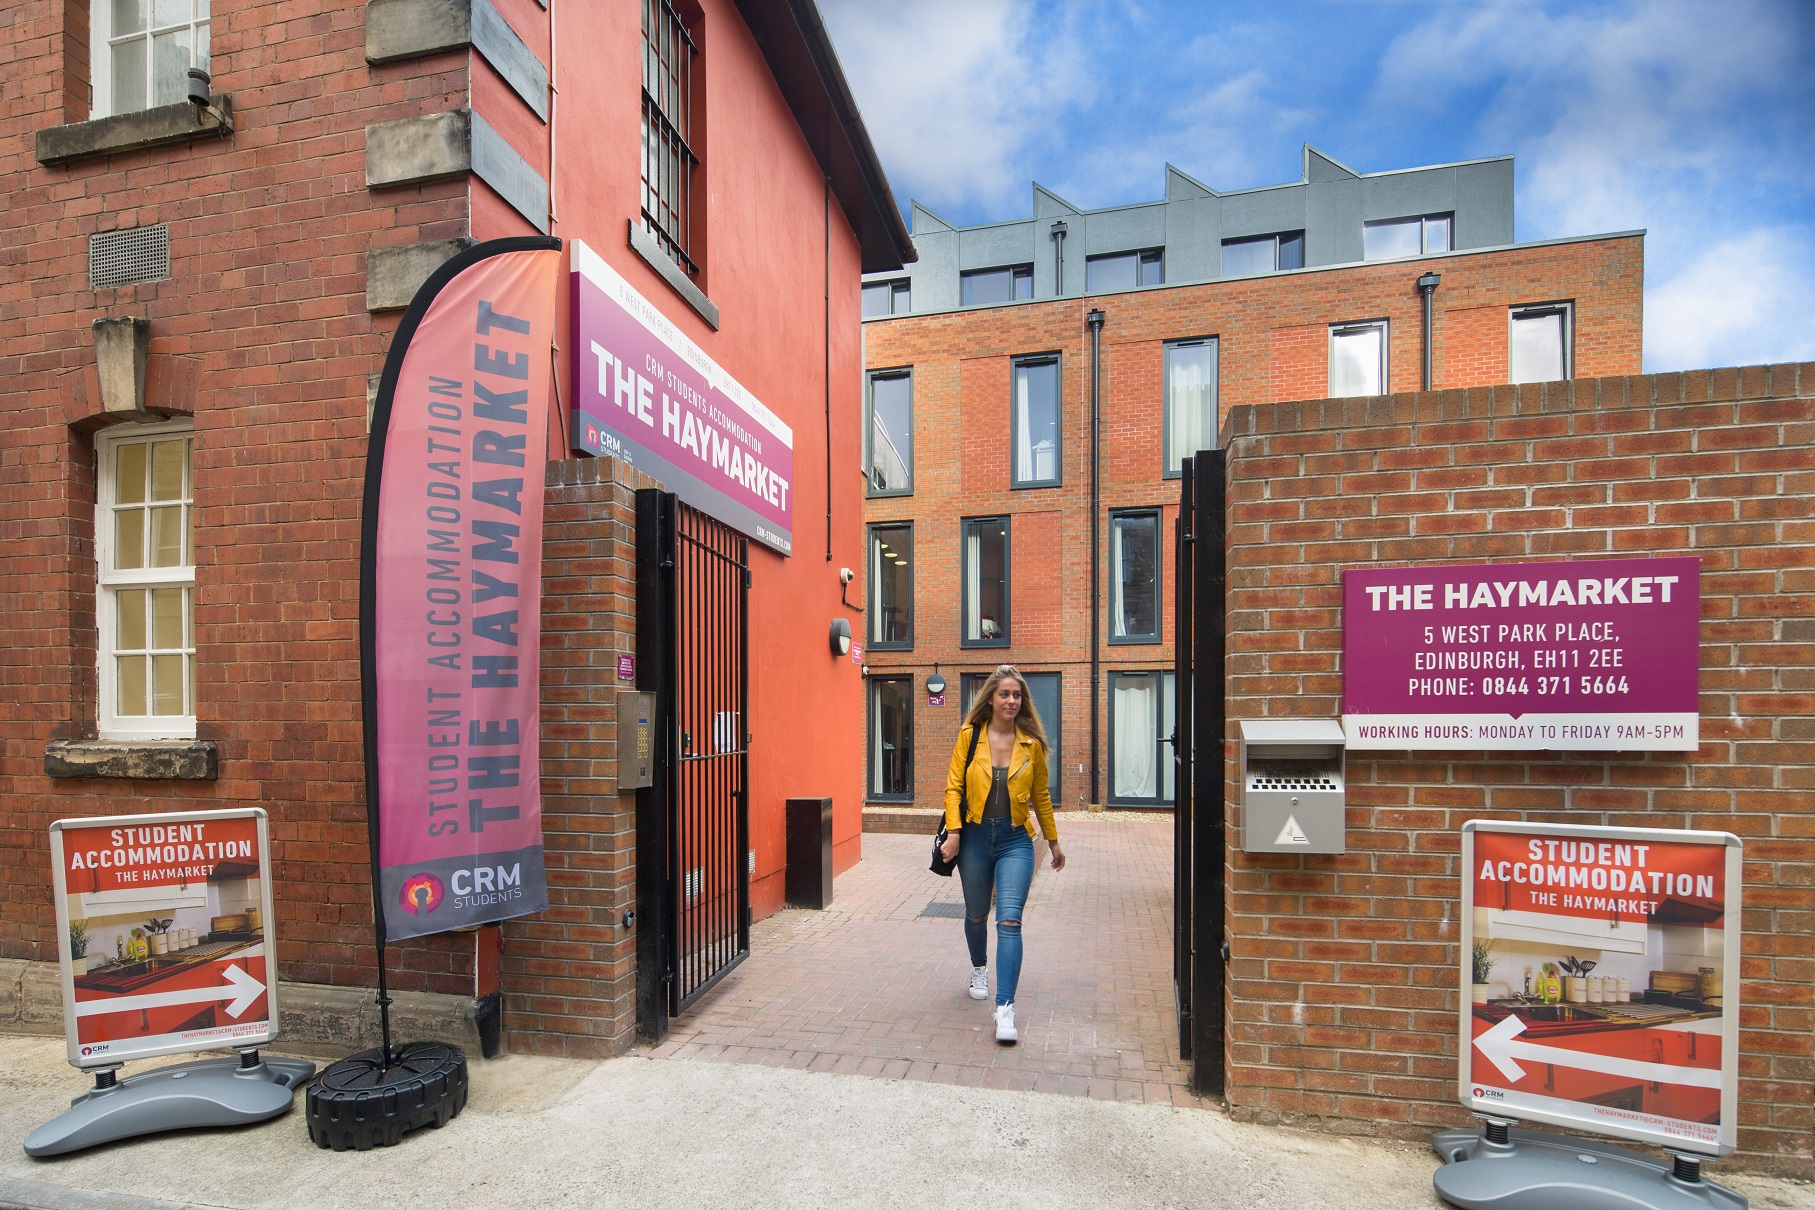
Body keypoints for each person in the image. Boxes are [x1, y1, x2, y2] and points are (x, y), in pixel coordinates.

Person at [938, 665, 1066, 1044]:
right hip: (975, 838)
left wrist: (1054, 841)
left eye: (1017, 695)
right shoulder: (969, 736)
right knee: (977, 913)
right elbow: (954, 787)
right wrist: (956, 833)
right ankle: (979, 968)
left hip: (1014, 841)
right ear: (991, 698)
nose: (1012, 701)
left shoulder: (1031, 745)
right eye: (1005, 694)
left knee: (1009, 921)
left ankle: (1005, 1008)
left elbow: (1041, 796)